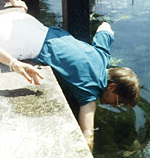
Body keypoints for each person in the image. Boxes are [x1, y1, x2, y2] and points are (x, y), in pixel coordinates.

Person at [0, 11, 140, 150]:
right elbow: (88, 134)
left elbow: (105, 27)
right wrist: (13, 63)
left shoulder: (102, 56)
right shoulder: (89, 91)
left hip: (25, 21)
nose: (115, 106)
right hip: (17, 41)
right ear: (111, 87)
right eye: (118, 101)